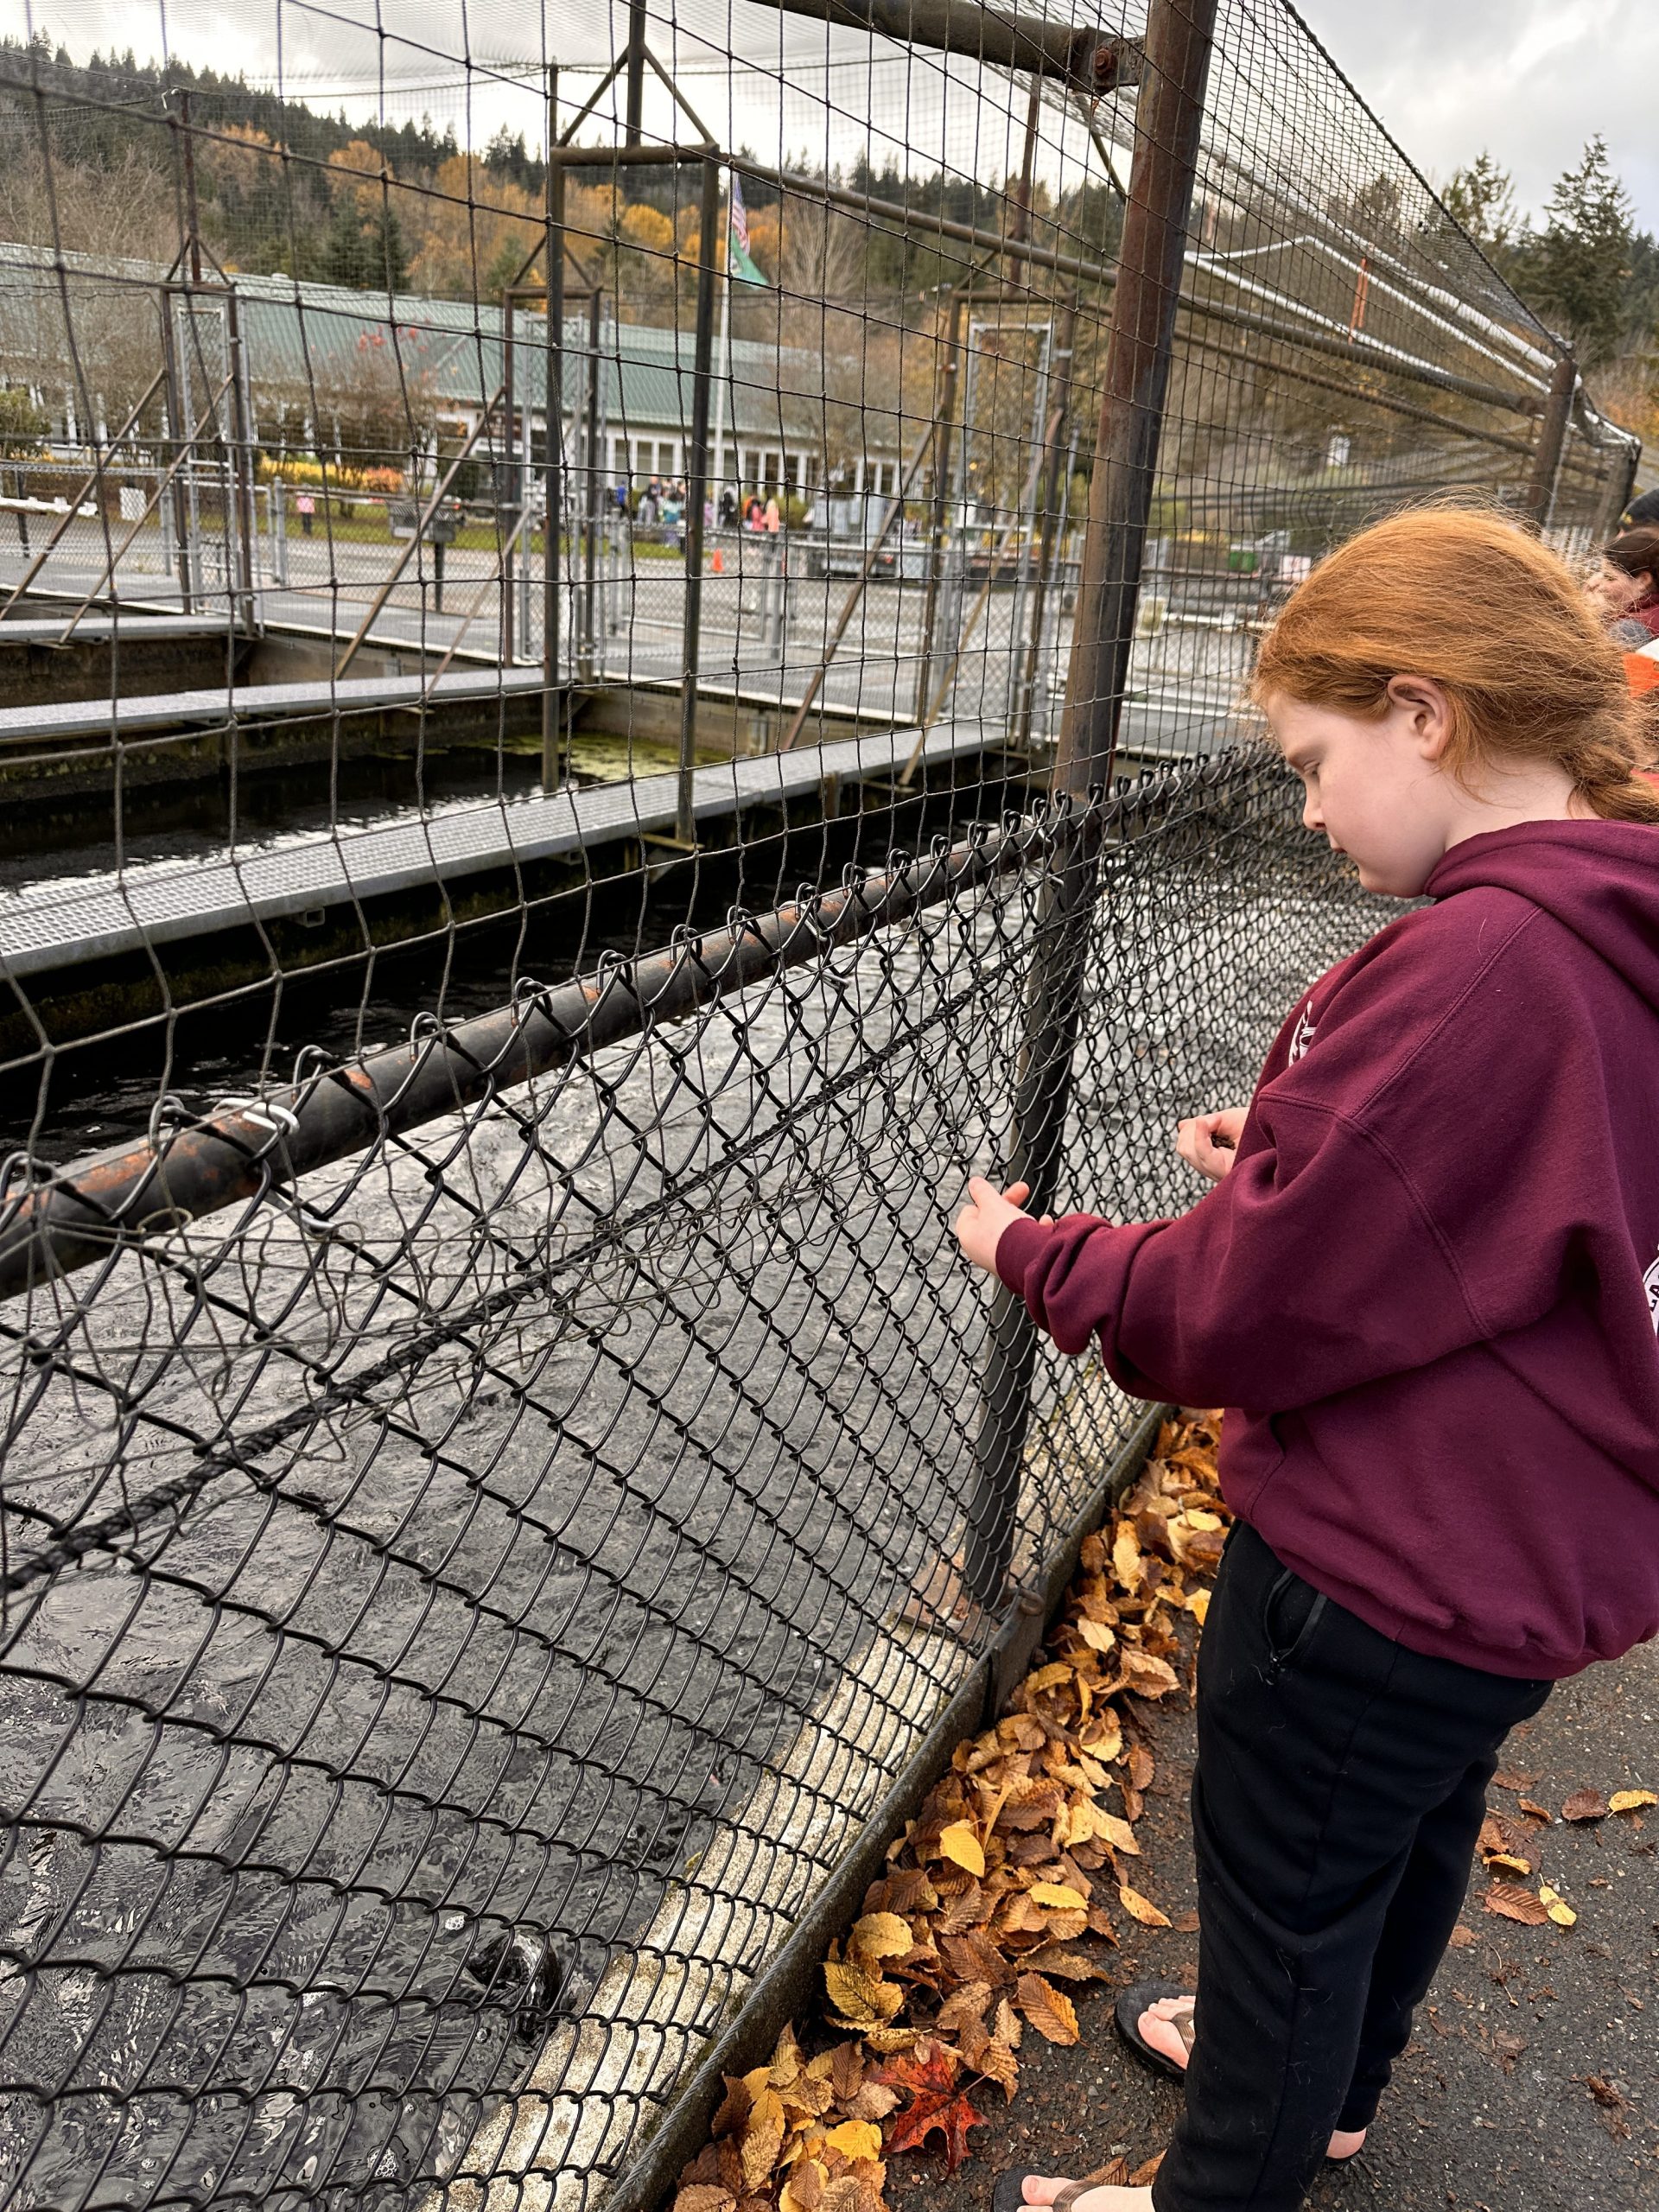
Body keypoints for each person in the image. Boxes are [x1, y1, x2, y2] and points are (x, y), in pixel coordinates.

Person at [954, 505, 1659, 2212]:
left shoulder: (1481, 960)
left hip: (1379, 1568)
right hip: (1535, 1547)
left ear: (1423, 710)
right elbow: (1518, 1185)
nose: (1309, 808)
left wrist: (1034, 1253)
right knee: (1408, 1833)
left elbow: (1240, 1307)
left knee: (1283, 1908)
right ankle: (1333, 2087)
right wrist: (1304, 1152)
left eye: (1315, 760)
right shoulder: (1616, 926)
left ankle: (1225, 2177)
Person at [1586, 524, 1659, 645]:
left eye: (1609, 577)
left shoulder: (1630, 630)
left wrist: (1592, 617)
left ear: (1643, 581)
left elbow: (1590, 655)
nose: (1598, 585)